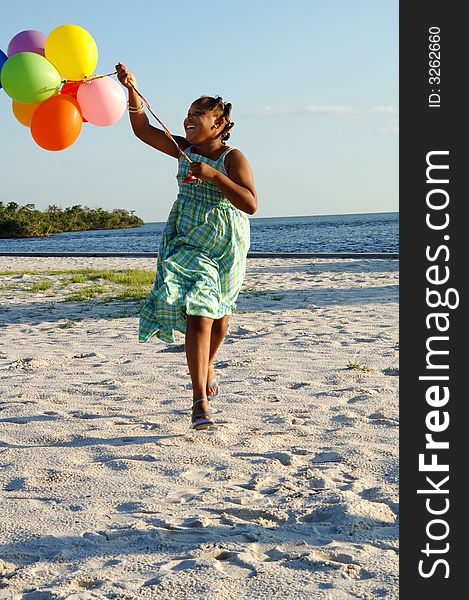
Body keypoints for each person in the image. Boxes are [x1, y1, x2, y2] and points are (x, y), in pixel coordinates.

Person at [116, 63, 257, 430]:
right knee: (199, 309)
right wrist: (131, 89)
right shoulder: (181, 149)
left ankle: (209, 364)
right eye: (188, 112)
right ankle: (199, 401)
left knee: (221, 318)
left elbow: (251, 204)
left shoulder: (232, 157)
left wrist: (212, 174)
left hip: (226, 245)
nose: (189, 118)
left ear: (219, 124)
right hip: (187, 241)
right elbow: (143, 130)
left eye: (199, 114)